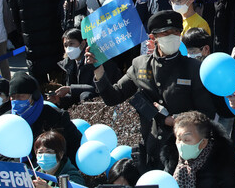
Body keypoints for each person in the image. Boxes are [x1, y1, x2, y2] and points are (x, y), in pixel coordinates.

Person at [88, 10, 216, 171]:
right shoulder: (139, 64)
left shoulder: (194, 68)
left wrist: (175, 120)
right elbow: (113, 97)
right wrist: (98, 69)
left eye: (176, 32)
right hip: (152, 150)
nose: (172, 37)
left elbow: (206, 113)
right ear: (153, 37)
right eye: (165, 33)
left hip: (185, 154)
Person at [8, 72, 82, 163]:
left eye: (20, 96)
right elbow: (0, 155)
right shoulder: (7, 120)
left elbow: (74, 146)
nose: (16, 101)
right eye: (13, 97)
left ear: (34, 96)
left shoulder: (56, 116)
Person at [50, 28, 121, 108]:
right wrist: (59, 100)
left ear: (83, 44)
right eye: (66, 45)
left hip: (106, 100)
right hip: (81, 106)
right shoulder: (68, 65)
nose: (68, 49)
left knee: (85, 95)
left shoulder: (94, 59)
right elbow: (73, 97)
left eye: (71, 44)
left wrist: (70, 89)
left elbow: (97, 89)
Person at [172, 111, 235, 187]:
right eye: (179, 139)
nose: (181, 144)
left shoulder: (222, 167)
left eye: (187, 139)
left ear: (203, 142)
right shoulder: (172, 162)